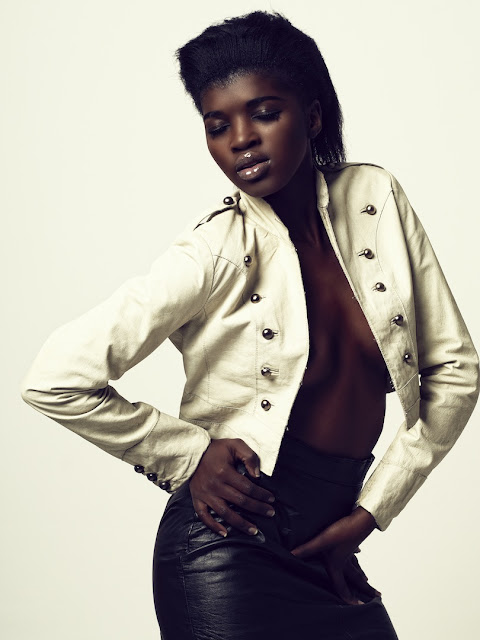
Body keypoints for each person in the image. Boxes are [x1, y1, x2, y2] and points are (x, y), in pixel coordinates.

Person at [21, 10, 478, 640]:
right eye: (217, 126)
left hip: (329, 546)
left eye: (264, 113)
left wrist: (372, 510)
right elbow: (54, 378)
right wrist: (188, 455)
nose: (241, 139)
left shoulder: (376, 199)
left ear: (311, 116)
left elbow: (454, 371)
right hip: (226, 554)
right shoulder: (212, 251)